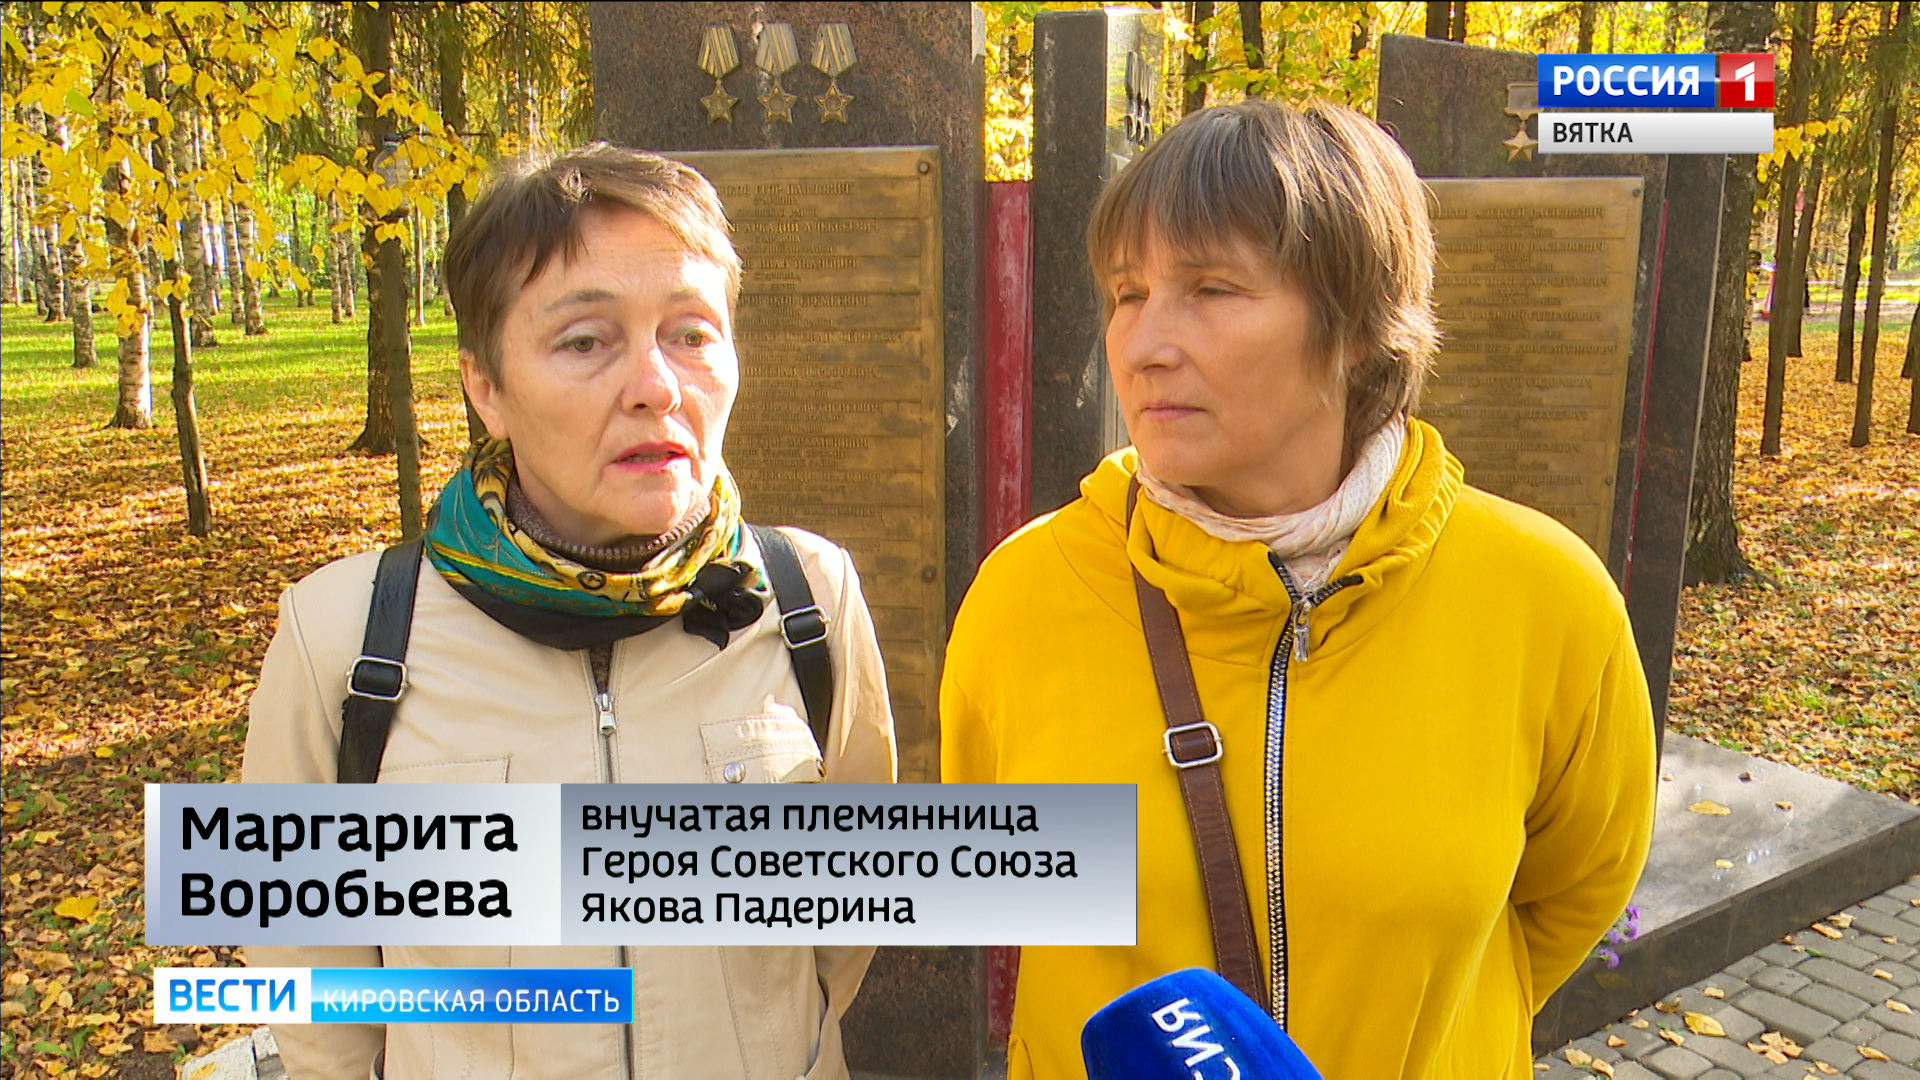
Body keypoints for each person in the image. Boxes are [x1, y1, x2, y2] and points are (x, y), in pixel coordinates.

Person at [941, 100, 1656, 1079]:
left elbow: (1576, 889)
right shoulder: (1027, 592)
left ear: (1358, 325)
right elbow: (1002, 878)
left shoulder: (1546, 599)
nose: (1144, 344)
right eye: (1128, 293)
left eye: (1212, 289)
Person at [243, 144, 897, 1080]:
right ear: (486, 388)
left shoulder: (810, 598)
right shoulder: (344, 638)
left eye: (692, 334)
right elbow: (315, 991)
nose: (656, 385)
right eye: (586, 341)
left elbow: (845, 920)